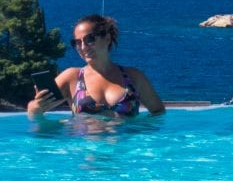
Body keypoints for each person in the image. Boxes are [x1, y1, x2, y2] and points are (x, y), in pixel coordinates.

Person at [27, 14, 165, 119]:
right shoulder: (72, 77)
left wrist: (141, 131)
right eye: (76, 42)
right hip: (86, 153)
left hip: (126, 152)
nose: (83, 47)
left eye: (89, 39)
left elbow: (158, 112)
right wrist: (36, 108)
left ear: (107, 38)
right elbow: (33, 112)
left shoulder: (134, 76)